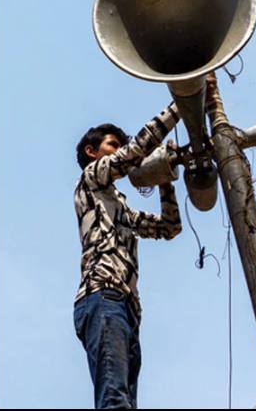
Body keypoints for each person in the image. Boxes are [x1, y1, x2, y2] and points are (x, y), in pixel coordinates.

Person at [73, 103, 183, 408]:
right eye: (112, 145)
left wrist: (165, 180)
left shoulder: (117, 207)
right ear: (91, 152)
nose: (119, 150)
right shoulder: (91, 178)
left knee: (121, 402)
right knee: (115, 399)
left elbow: (170, 227)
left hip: (124, 307)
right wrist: (180, 106)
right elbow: (133, 153)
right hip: (103, 297)